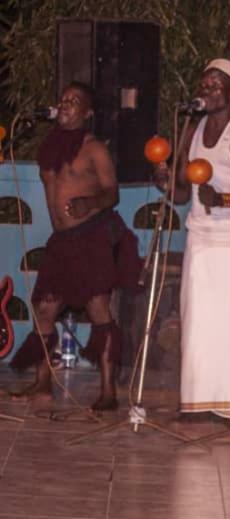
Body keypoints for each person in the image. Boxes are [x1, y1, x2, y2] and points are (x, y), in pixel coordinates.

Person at [8, 81, 140, 411]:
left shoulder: (94, 148)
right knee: (45, 309)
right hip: (62, 241)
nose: (65, 104)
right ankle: (42, 384)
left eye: (74, 101)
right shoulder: (49, 146)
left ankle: (108, 390)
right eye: (63, 99)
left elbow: (113, 193)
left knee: (98, 309)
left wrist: (89, 204)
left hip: (92, 235)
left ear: (88, 112)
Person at [154, 58, 230, 419]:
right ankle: (194, 402)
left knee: (229, 322)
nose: (207, 89)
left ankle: (227, 407)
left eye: (216, 84)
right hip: (200, 236)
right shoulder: (191, 128)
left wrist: (224, 199)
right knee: (196, 318)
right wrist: (165, 181)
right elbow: (184, 194)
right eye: (204, 83)